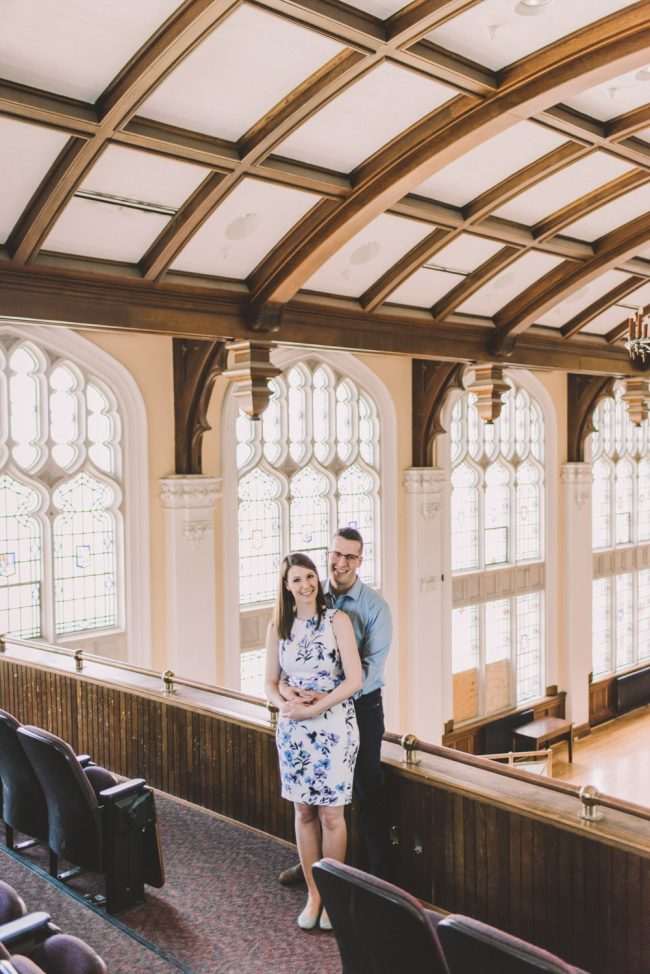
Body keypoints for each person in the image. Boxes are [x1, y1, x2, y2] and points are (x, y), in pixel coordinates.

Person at [278, 527, 392, 884]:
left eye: (350, 556)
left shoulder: (374, 607)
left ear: (361, 560)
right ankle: (316, 867)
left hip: (359, 706)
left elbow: (370, 670)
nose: (341, 562)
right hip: (313, 712)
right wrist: (290, 690)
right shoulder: (311, 591)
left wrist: (327, 698)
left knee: (365, 790)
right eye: (336, 554)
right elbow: (293, 653)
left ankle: (377, 878)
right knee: (315, 798)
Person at [265, 552, 362, 931]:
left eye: (310, 577)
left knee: (331, 815)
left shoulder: (336, 620)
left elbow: (354, 680)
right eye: (296, 580)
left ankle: (333, 896)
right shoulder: (279, 625)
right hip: (294, 731)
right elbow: (270, 683)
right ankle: (314, 893)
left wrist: (314, 708)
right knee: (304, 811)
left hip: (334, 726)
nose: (306, 585)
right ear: (286, 587)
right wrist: (286, 703)